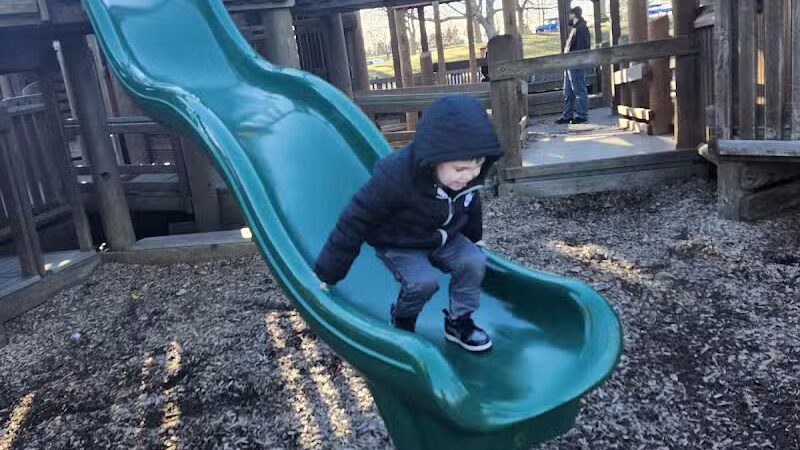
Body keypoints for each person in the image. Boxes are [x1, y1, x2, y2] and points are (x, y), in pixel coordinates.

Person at [314, 94, 503, 352]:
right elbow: (355, 219)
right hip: (400, 241)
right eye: (460, 169)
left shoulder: (465, 179)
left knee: (473, 260)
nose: (470, 176)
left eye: (478, 166)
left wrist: (474, 238)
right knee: (423, 282)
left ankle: (459, 322)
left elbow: (471, 205)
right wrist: (329, 272)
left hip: (443, 236)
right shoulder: (395, 179)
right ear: (434, 160)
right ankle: (403, 320)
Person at [555, 6, 591, 125]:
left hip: (575, 64)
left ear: (574, 15)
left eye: (570, 15)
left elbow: (583, 47)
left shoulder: (581, 28)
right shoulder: (576, 28)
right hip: (570, 64)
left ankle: (582, 115)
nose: (568, 18)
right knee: (568, 92)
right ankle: (567, 115)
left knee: (579, 90)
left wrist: (577, 60)